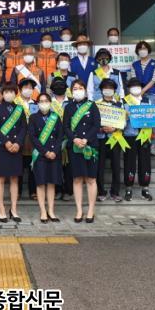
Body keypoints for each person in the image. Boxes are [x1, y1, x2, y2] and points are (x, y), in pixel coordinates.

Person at [64, 79, 100, 223]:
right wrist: (74, 139)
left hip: (90, 146)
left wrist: (86, 139)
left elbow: (96, 125)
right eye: (75, 88)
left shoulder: (92, 105)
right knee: (77, 179)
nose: (78, 91)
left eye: (80, 88)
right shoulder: (69, 107)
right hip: (75, 147)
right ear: (71, 91)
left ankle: (91, 210)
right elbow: (66, 126)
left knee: (91, 179)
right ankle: (79, 210)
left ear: (85, 90)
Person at [0, 83, 27, 223]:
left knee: (14, 179)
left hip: (16, 148)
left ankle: (14, 209)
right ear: (2, 93)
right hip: (2, 147)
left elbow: (23, 128)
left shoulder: (19, 109)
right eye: (6, 91)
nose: (9, 94)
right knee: (0, 178)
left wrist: (18, 143)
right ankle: (1, 209)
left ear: (15, 93)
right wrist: (6, 141)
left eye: (12, 91)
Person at [28, 92, 64, 223]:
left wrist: (54, 151)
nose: (44, 103)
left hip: (54, 155)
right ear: (37, 104)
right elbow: (33, 137)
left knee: (51, 183)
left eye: (46, 101)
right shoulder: (33, 117)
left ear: (50, 103)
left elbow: (60, 136)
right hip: (40, 155)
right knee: (41, 183)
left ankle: (51, 211)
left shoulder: (55, 117)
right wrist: (45, 152)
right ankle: (43, 211)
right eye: (41, 101)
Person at [122, 77, 155, 202]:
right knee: (129, 162)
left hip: (144, 135)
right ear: (128, 88)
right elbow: (120, 121)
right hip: (129, 135)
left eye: (138, 86)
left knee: (145, 161)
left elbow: (152, 117)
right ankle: (128, 188)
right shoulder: (124, 101)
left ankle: (145, 188)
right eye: (133, 86)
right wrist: (125, 118)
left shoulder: (147, 100)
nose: (136, 88)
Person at [96, 78, 125, 203]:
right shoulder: (96, 104)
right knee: (99, 166)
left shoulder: (119, 104)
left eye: (111, 88)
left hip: (115, 138)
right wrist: (101, 129)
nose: (108, 90)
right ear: (101, 90)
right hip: (100, 138)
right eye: (105, 88)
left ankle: (115, 192)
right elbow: (92, 121)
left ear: (114, 90)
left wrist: (115, 128)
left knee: (116, 166)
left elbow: (124, 121)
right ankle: (101, 192)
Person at [130, 40, 155, 156]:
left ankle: (153, 146)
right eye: (140, 48)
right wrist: (138, 92)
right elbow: (134, 79)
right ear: (137, 51)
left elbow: (154, 80)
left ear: (148, 50)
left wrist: (142, 91)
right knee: (138, 118)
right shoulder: (134, 65)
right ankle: (141, 145)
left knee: (152, 119)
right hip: (137, 94)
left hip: (151, 94)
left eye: (144, 48)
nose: (142, 50)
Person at [15, 78, 39, 200]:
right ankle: (17, 191)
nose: (28, 90)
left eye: (30, 88)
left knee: (32, 165)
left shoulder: (36, 104)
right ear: (20, 89)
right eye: (26, 87)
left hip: (32, 138)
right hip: (18, 137)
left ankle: (33, 191)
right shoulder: (15, 103)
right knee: (18, 165)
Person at [50, 78, 72, 201]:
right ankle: (58, 190)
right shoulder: (49, 102)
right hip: (53, 138)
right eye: (56, 85)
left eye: (61, 85)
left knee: (68, 167)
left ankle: (68, 190)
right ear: (52, 89)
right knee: (55, 166)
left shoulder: (71, 102)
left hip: (69, 137)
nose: (59, 87)